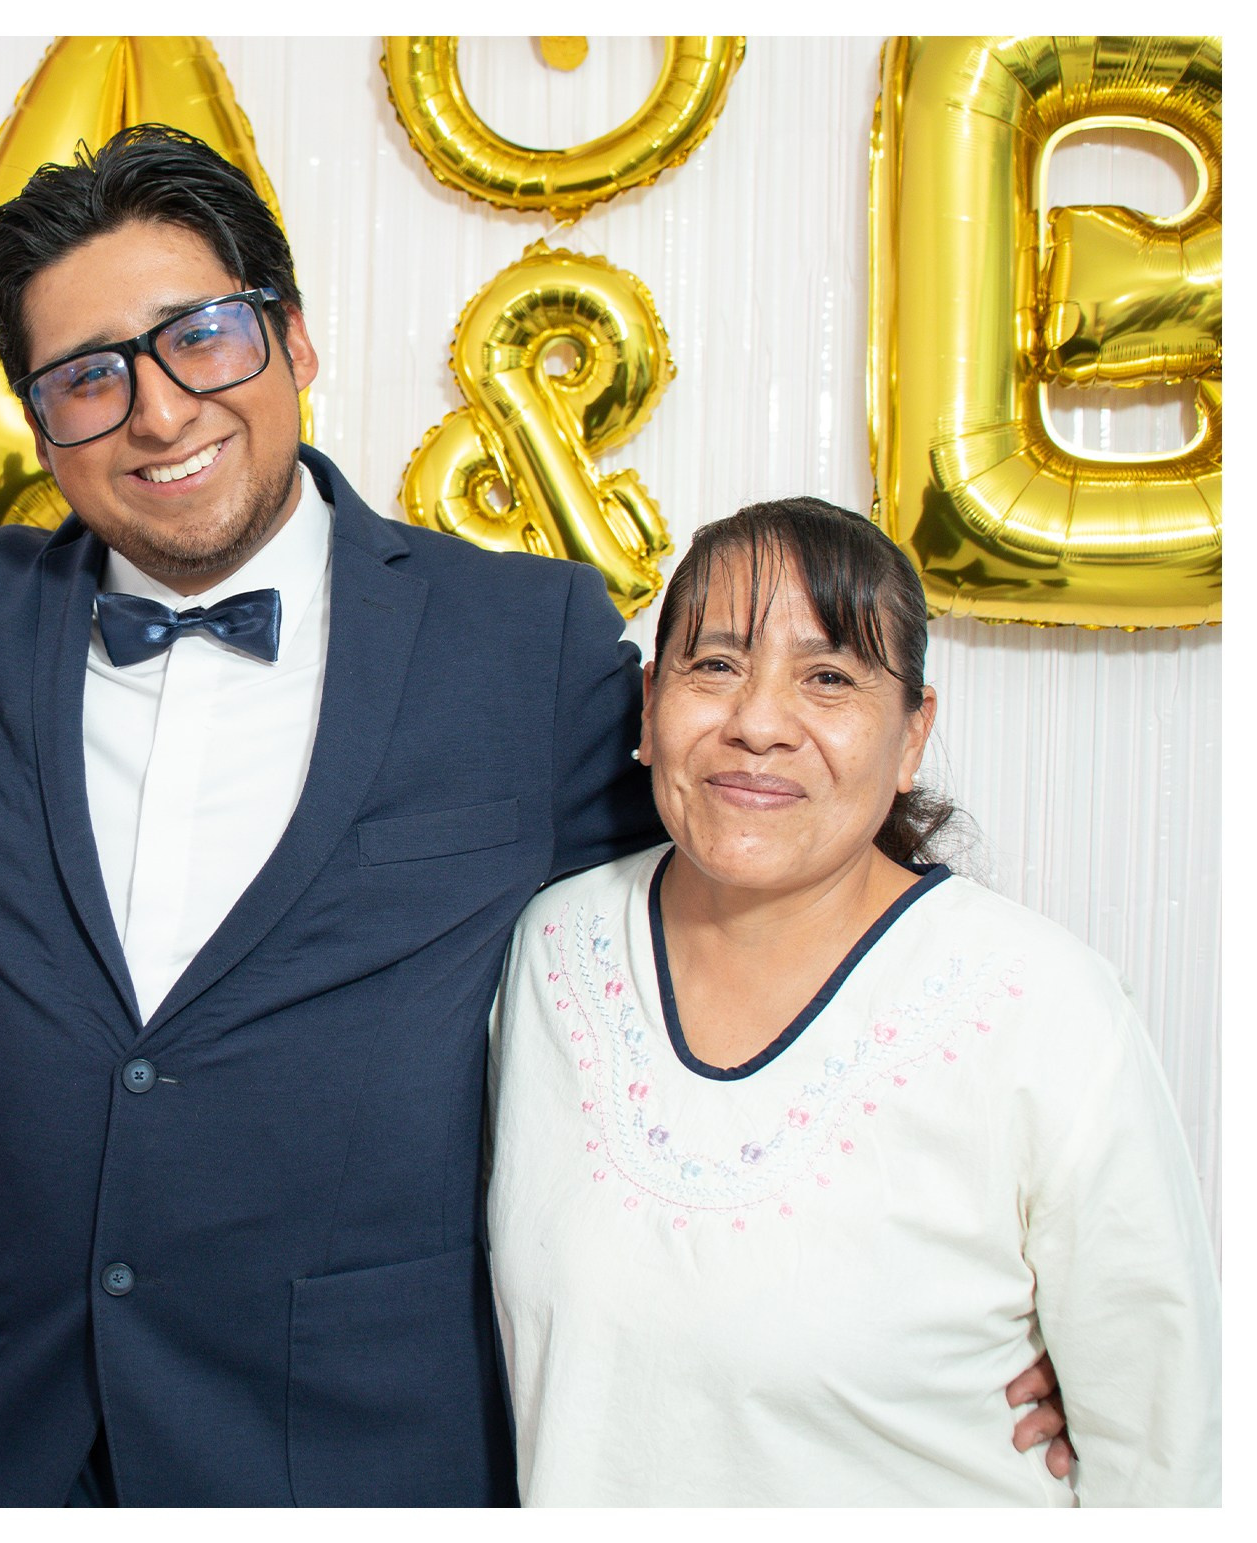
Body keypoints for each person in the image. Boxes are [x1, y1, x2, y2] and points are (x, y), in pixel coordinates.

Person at [0, 127, 1069, 1505]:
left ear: (295, 342)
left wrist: (968, 1285)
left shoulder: (522, 638)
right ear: (41, 423)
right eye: (89, 375)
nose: (158, 413)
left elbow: (760, 898)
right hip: (7, 1434)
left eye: (201, 339)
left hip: (351, 1446)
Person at [487, 497, 1221, 1504]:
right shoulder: (548, 953)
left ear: (913, 732)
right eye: (715, 666)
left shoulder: (1041, 1009)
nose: (756, 723)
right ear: (650, 706)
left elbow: (1166, 1457)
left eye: (827, 676)